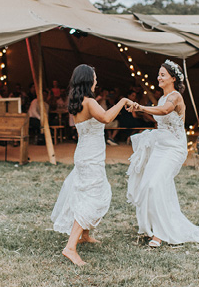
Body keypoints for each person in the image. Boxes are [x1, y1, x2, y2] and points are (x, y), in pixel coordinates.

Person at [126, 60, 199, 248]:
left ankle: (159, 234)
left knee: (155, 185)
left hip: (174, 148)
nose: (158, 77)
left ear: (173, 78)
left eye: (163, 75)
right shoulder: (161, 98)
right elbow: (160, 116)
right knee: (149, 185)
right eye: (158, 74)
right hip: (160, 147)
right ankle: (154, 225)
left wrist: (141, 107)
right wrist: (141, 112)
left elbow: (165, 110)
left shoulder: (175, 97)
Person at [51, 64, 133, 266]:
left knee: (89, 191)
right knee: (93, 196)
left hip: (86, 152)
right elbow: (106, 118)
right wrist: (123, 101)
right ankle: (70, 248)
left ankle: (85, 234)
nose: (97, 80)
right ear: (88, 80)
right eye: (95, 77)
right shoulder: (89, 102)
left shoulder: (78, 102)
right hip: (90, 156)